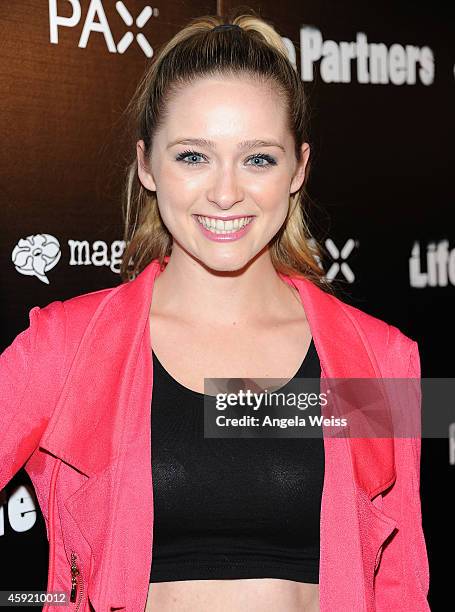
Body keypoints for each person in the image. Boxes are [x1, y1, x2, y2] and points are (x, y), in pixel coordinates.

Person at [0, 9, 430, 612]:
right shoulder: (68, 346)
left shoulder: (381, 357)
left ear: (299, 169)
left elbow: (401, 585)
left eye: (258, 158)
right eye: (193, 156)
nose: (226, 192)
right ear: (147, 164)